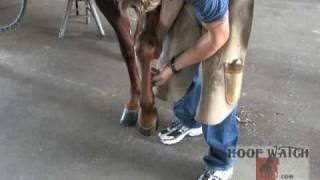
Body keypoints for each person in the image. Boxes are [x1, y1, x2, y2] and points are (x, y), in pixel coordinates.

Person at [152, 0, 239, 179]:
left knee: (220, 81)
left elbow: (218, 37)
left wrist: (173, 67)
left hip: (226, 12)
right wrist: (158, 37)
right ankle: (189, 120)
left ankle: (221, 161)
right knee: (177, 40)